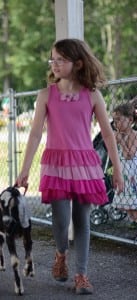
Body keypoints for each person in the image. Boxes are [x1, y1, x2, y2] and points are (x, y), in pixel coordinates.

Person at [15, 38, 124, 295]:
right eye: (52, 59)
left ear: (78, 63)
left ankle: (82, 275)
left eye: (60, 60)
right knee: (62, 221)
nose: (54, 64)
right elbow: (34, 135)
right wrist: (24, 170)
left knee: (82, 220)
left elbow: (108, 135)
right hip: (56, 165)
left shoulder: (93, 95)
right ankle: (61, 253)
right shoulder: (46, 95)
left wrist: (117, 169)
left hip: (85, 165)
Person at [112, 103, 137, 239]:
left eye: (119, 120)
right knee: (129, 208)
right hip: (124, 176)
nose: (116, 123)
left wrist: (121, 141)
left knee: (134, 208)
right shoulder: (119, 135)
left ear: (130, 120)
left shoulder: (133, 135)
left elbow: (129, 155)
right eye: (115, 120)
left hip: (133, 176)